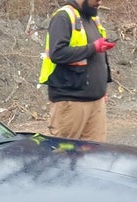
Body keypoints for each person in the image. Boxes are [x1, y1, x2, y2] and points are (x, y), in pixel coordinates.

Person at [39, 0, 115, 141]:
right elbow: (57, 53)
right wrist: (93, 47)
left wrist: (101, 89)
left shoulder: (92, 19)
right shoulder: (63, 17)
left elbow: (97, 58)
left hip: (96, 101)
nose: (100, 2)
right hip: (71, 101)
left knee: (95, 155)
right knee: (66, 154)